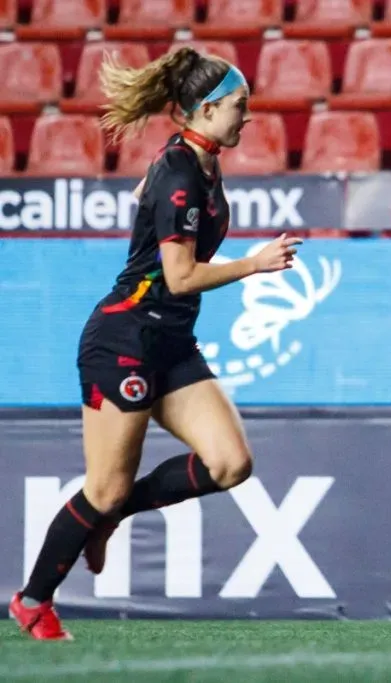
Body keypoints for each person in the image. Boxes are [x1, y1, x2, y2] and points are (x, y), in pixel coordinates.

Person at [9, 47, 302, 640]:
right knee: (105, 486)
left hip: (170, 340)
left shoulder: (199, 162)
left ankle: (109, 517)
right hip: (124, 339)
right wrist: (253, 265)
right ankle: (33, 600)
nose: (249, 116)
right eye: (240, 107)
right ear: (207, 108)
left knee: (230, 462)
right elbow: (180, 277)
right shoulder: (179, 171)